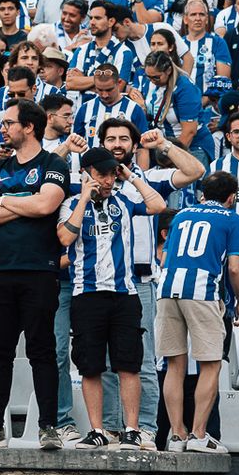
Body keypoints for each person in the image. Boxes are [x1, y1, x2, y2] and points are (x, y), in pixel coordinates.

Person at [0, 101, 70, 450]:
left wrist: (4, 201)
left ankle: (49, 427)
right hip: (0, 271)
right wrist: (24, 201)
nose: (3, 129)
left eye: (9, 123)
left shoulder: (53, 164)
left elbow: (46, 205)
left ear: (29, 127)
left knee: (43, 351)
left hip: (39, 270)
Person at [57, 146, 168, 448]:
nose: (107, 180)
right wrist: (84, 197)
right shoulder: (70, 204)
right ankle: (98, 430)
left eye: (111, 174)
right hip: (87, 294)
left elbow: (158, 205)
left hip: (124, 294)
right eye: (101, 174)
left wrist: (129, 175)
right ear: (86, 173)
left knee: (129, 365)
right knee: (91, 366)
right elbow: (65, 237)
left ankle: (131, 429)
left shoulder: (124, 200)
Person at [156, 171, 239, 453]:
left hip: (167, 288)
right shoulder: (231, 218)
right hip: (201, 291)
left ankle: (177, 434)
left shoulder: (182, 214)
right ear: (231, 197)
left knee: (174, 365)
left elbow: (165, 256)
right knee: (211, 364)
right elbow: (234, 268)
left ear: (203, 194)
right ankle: (198, 434)